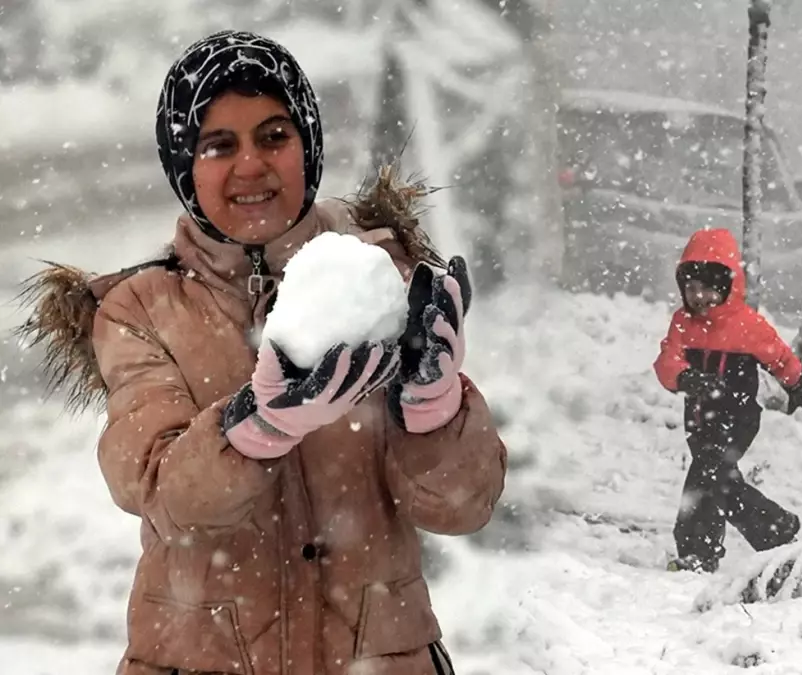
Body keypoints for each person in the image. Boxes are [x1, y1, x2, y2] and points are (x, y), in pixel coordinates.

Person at [18, 30, 506, 675]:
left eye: (274, 136)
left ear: (308, 146)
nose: (251, 165)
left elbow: (462, 507)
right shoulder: (141, 309)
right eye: (219, 145)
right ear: (183, 166)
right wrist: (257, 425)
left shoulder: (385, 282)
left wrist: (435, 411)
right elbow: (164, 496)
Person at [653, 228, 802, 573]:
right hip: (698, 418)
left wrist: (796, 384)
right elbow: (667, 361)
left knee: (704, 480)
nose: (699, 297)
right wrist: (685, 377)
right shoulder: (683, 324)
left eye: (709, 289)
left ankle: (698, 551)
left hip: (736, 416)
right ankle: (776, 528)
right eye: (691, 289)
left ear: (729, 286)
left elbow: (779, 356)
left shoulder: (746, 325)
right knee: (721, 483)